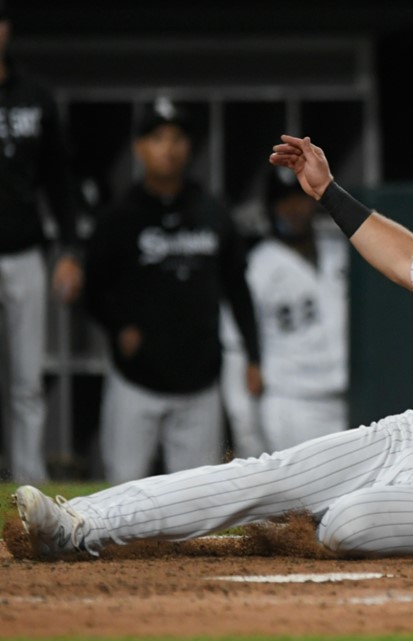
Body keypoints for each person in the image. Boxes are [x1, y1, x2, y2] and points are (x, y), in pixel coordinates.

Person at [12, 134, 413, 561]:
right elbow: (407, 260)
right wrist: (330, 192)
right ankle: (80, 525)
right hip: (410, 436)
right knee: (264, 474)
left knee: (345, 524)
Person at [80, 98, 263, 483]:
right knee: (123, 487)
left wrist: (253, 354)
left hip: (199, 379)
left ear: (190, 147)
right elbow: (91, 288)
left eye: (178, 138)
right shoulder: (120, 217)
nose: (169, 148)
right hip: (136, 379)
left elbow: (237, 286)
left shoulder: (212, 212)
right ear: (140, 147)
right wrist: (118, 327)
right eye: (158, 137)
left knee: (196, 500)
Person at [0, 3, 86, 482]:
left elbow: (59, 180)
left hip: (24, 251)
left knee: (27, 381)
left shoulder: (35, 97)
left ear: (7, 29)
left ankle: (26, 485)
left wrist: (70, 249)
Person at [239, 168, 350, 452]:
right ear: (270, 208)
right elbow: (235, 352)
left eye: (300, 199)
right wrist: (246, 432)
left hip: (348, 397)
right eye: (284, 201)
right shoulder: (257, 267)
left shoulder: (341, 251)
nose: (294, 209)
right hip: (292, 403)